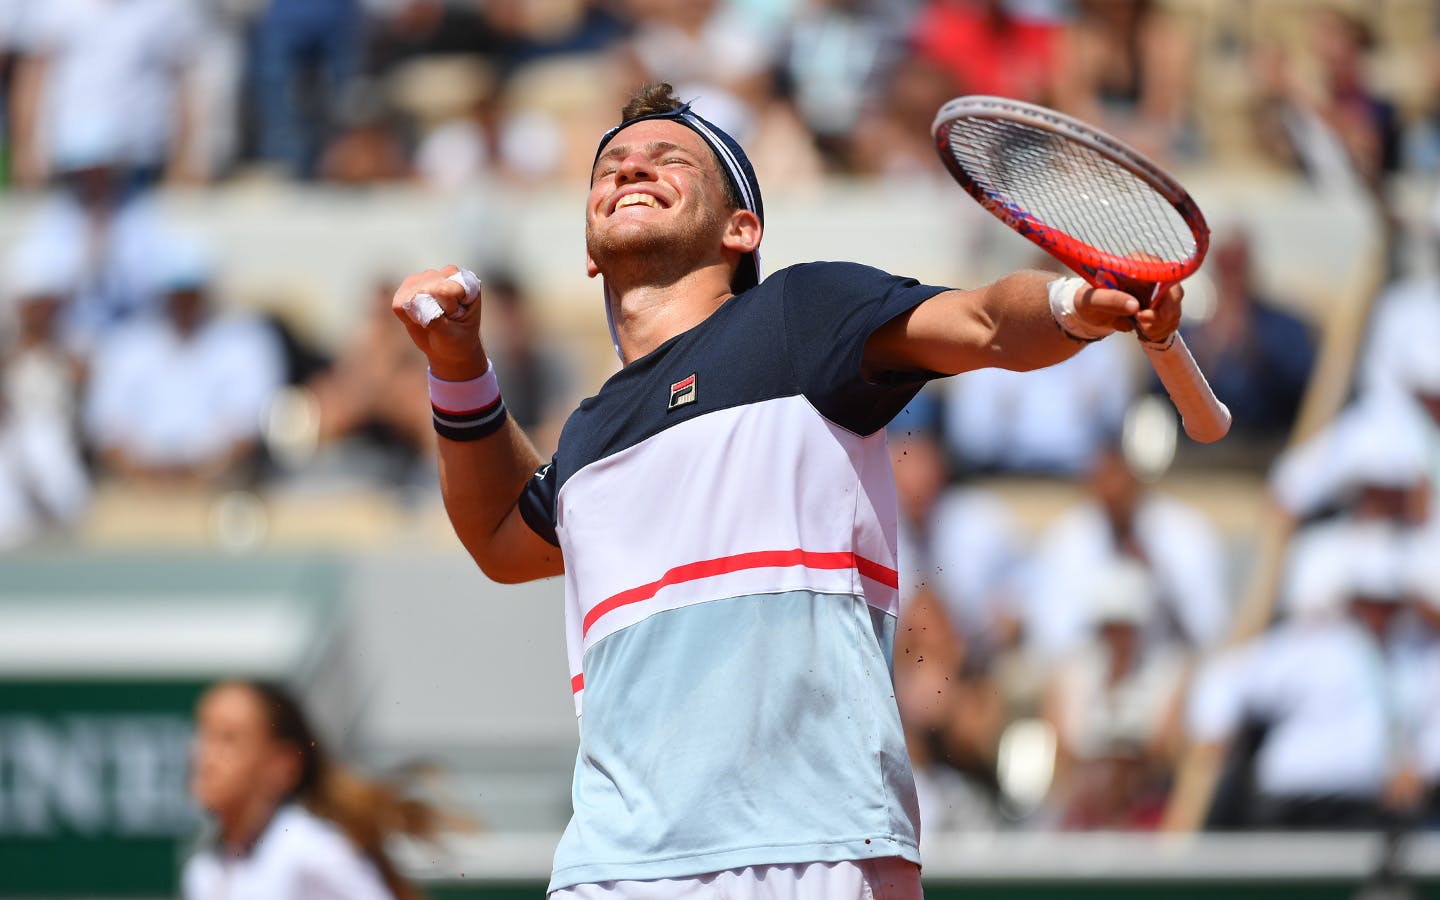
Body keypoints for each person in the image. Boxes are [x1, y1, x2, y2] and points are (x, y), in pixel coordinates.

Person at [390, 82, 1184, 899]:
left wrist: (1072, 304)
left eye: (670, 162)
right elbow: (496, 535)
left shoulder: (800, 317)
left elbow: (984, 322)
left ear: (744, 228)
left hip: (814, 848)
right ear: (589, 247)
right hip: (614, 868)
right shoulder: (586, 435)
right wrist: (456, 365)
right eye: (612, 166)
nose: (632, 171)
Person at [183, 680, 441, 899]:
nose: (205, 757)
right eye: (203, 734)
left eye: (228, 739)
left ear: (281, 766)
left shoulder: (312, 854)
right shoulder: (204, 870)